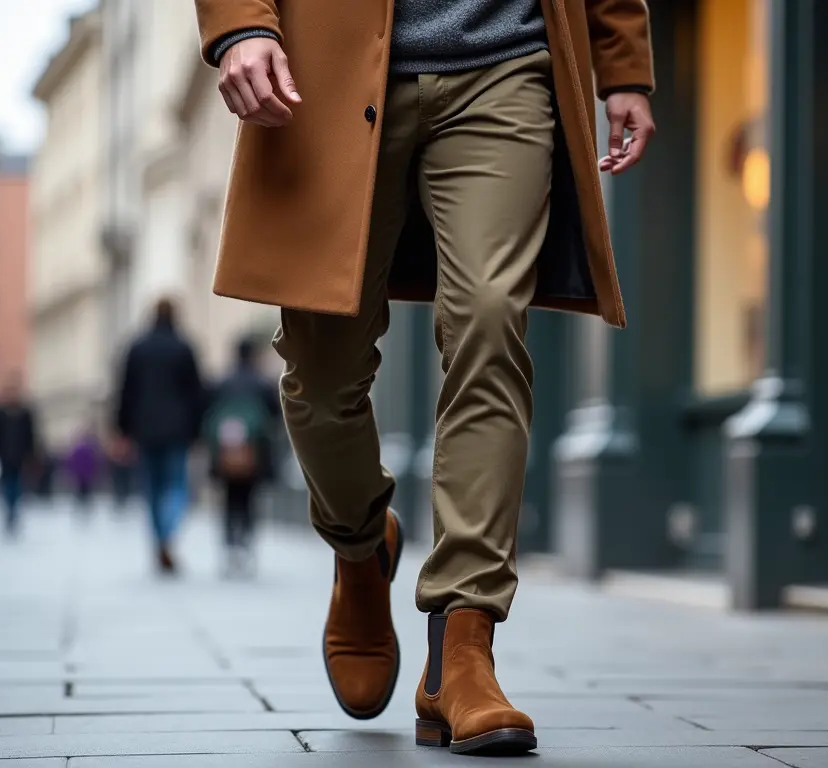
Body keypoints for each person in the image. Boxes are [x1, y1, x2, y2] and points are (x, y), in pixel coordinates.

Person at [195, 0, 655, 755]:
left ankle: (462, 649)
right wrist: (241, 23)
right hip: (325, 67)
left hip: (507, 62)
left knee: (489, 326)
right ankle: (360, 546)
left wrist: (623, 61)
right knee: (320, 370)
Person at [114, 298, 205, 575]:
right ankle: (167, 534)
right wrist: (196, 431)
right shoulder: (184, 347)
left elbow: (126, 391)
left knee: (152, 488)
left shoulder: (137, 347)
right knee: (176, 486)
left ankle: (159, 538)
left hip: (145, 429)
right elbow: (196, 394)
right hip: (177, 430)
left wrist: (122, 430)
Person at [203, 337, 280, 577]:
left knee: (228, 498)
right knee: (249, 498)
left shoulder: (221, 382)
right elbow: (275, 415)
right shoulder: (262, 383)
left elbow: (208, 413)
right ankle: (246, 541)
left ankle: (229, 543)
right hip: (254, 454)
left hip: (225, 455)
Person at [0, 375, 39, 538]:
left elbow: (31, 436)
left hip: (19, 457)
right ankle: (9, 512)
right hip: (4, 456)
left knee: (16, 487)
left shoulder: (25, 413)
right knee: (6, 486)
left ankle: (13, 512)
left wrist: (31, 455)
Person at [64, 424, 103, 516]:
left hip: (80, 475)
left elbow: (71, 461)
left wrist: (70, 472)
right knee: (86, 492)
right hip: (86, 475)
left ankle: (81, 508)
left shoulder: (78, 449)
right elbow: (94, 463)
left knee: (81, 492)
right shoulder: (91, 449)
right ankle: (85, 508)